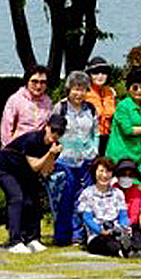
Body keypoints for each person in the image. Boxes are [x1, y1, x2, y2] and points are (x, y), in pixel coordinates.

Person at [0, 113, 65, 253]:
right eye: (53, 130)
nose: (55, 135)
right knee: (17, 198)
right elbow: (35, 166)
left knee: (33, 201)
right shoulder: (33, 139)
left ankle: (33, 239)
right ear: (46, 127)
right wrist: (50, 154)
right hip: (6, 167)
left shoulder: (56, 147)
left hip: (24, 171)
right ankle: (15, 241)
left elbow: (44, 171)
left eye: (59, 132)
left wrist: (52, 154)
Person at [47, 70, 98, 246]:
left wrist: (94, 152)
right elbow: (52, 133)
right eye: (75, 89)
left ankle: (78, 236)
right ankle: (62, 237)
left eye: (83, 89)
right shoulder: (60, 107)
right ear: (68, 89)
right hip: (64, 160)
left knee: (83, 198)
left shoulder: (90, 108)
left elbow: (95, 133)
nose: (79, 93)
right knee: (63, 198)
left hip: (85, 160)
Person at [76, 156, 132, 257]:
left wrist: (123, 227)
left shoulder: (118, 193)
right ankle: (122, 250)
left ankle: (131, 248)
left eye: (108, 172)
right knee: (107, 244)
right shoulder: (87, 193)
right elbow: (87, 218)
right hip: (97, 235)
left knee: (131, 236)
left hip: (116, 232)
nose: (104, 175)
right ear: (95, 173)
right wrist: (101, 231)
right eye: (101, 171)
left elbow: (123, 215)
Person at [105, 69, 141, 175]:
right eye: (135, 87)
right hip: (120, 156)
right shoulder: (123, 106)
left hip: (137, 156)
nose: (139, 91)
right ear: (128, 88)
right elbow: (128, 130)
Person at [0, 65, 51, 148]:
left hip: (39, 150)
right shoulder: (15, 100)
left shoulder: (47, 101)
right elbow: (6, 128)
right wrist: (8, 149)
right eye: (34, 81)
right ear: (27, 82)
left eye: (42, 82)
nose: (38, 86)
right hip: (18, 149)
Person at [85, 56, 117, 156]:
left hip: (108, 138)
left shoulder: (110, 93)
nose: (100, 76)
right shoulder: (84, 93)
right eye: (95, 73)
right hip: (90, 138)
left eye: (103, 73)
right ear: (89, 75)